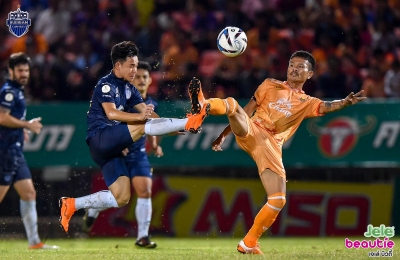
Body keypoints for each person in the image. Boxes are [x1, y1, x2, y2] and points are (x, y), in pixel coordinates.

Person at [187, 51, 366, 254]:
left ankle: (249, 243)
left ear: (310, 74)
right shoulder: (269, 84)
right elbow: (245, 112)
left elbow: (326, 107)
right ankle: (204, 105)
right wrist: (225, 134)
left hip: (271, 145)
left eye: (300, 66)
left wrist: (344, 102)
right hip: (252, 130)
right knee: (233, 105)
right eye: (292, 64)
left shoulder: (307, 102)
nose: (294, 69)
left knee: (278, 200)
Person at [59, 41, 209, 234]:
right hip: (100, 139)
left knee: (121, 197)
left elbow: (153, 118)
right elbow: (112, 114)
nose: (134, 70)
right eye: (131, 65)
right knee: (141, 126)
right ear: (118, 66)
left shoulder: (129, 89)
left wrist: (177, 129)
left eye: (136, 65)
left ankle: (71, 204)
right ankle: (190, 120)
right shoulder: (106, 85)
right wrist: (176, 122)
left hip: (112, 149)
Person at [81, 61, 161, 248]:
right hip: (119, 153)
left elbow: (153, 127)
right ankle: (92, 209)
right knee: (118, 196)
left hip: (138, 153)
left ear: (150, 80)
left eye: (144, 77)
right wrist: (116, 144)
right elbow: (110, 120)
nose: (141, 80)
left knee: (145, 190)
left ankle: (142, 237)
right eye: (138, 76)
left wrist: (155, 145)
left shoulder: (151, 103)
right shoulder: (122, 99)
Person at [0, 53, 59, 249]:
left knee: (29, 194)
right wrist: (26, 124)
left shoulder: (17, 90)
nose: (24, 74)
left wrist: (21, 129)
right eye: (20, 70)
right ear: (11, 71)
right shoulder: (9, 91)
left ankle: (34, 242)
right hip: (5, 152)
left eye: (26, 70)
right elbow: (2, 117)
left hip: (15, 151)